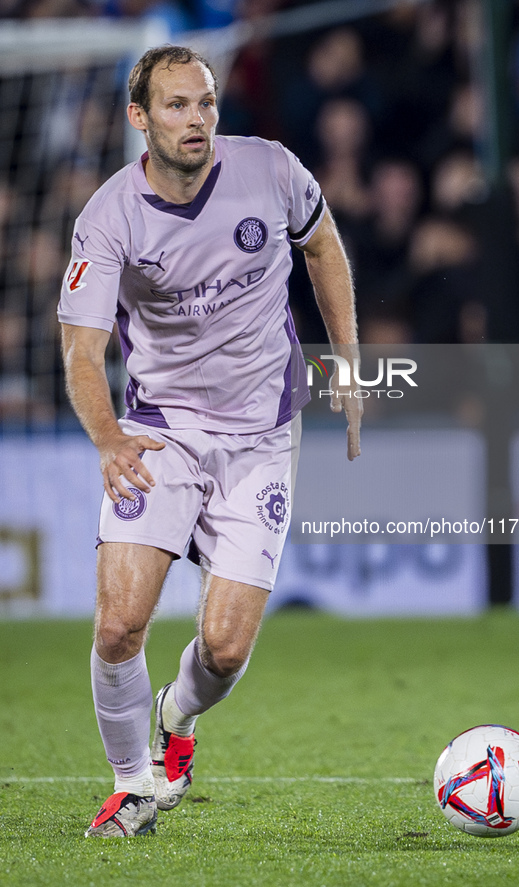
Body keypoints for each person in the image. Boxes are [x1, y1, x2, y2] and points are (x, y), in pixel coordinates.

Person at [57, 45, 361, 838]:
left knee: (223, 649)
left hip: (261, 434)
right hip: (159, 433)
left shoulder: (271, 170)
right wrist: (108, 438)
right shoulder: (109, 216)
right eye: (176, 106)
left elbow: (322, 245)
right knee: (119, 622)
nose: (196, 121)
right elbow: (80, 351)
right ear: (140, 118)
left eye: (205, 104)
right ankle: (132, 787)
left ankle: (175, 714)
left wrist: (350, 359)